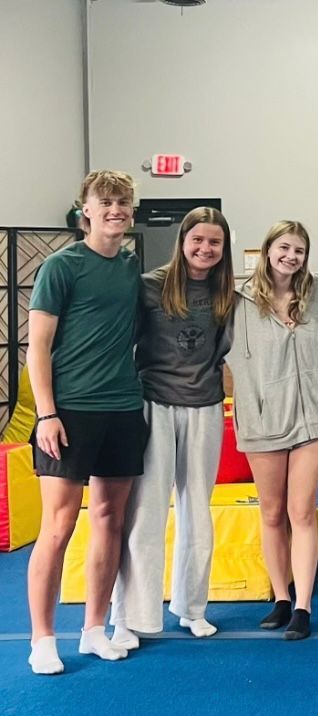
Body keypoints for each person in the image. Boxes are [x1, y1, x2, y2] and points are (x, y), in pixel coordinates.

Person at [26, 170, 147, 674]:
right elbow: (38, 347)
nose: (115, 209)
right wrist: (46, 413)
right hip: (70, 411)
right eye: (106, 201)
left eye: (123, 201)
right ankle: (42, 637)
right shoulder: (61, 266)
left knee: (109, 521)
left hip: (122, 409)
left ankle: (94, 628)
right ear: (86, 211)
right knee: (58, 526)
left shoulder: (130, 267)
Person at [111, 207, 235, 650]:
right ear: (182, 241)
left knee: (197, 509)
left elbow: (225, 352)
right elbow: (119, 342)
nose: (205, 249)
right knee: (145, 511)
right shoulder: (149, 286)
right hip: (154, 405)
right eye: (197, 240)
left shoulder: (226, 294)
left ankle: (192, 607)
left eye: (214, 243)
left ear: (224, 248)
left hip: (204, 408)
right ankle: (131, 615)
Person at [225, 221, 318, 640]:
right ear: (268, 249)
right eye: (284, 247)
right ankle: (281, 598)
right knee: (272, 513)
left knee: (301, 512)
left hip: (311, 417)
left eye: (300, 250)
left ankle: (303, 607)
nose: (291, 256)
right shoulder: (238, 300)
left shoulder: (317, 294)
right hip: (262, 418)